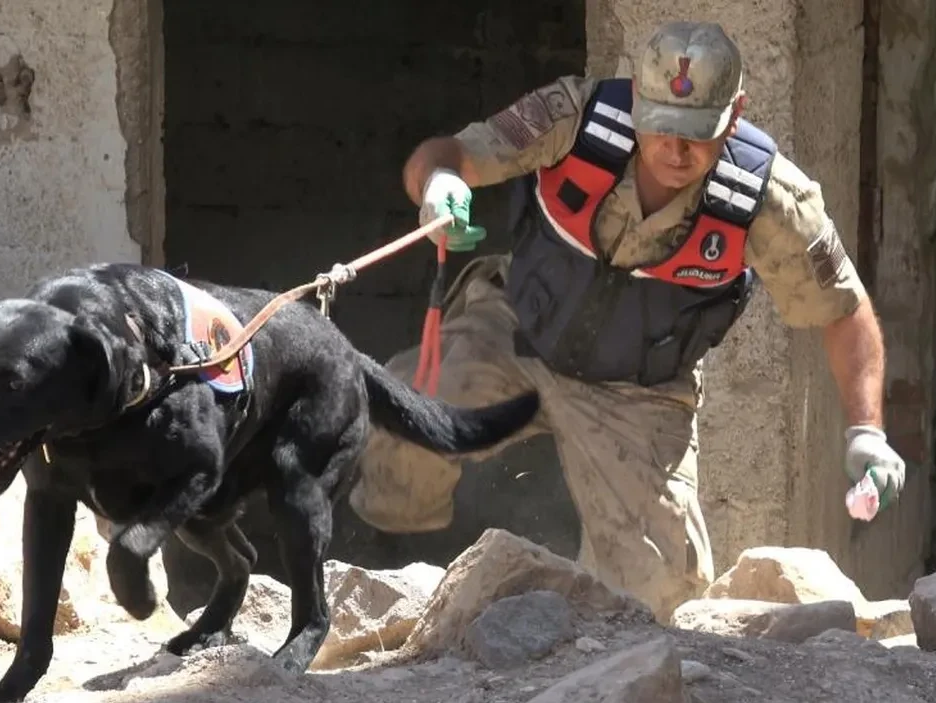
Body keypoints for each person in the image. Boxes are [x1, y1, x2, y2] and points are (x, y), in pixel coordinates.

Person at [347, 20, 906, 623]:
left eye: (698, 134)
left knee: (663, 594)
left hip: (638, 391)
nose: (676, 151)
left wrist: (866, 432)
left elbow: (844, 313)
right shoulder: (572, 115)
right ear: (636, 98)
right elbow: (447, 154)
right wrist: (440, 183)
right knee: (396, 433)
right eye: (661, 127)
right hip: (513, 329)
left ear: (736, 113)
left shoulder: (767, 197)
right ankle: (386, 572)